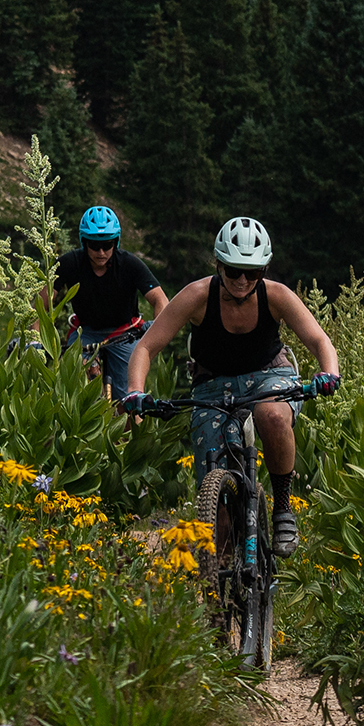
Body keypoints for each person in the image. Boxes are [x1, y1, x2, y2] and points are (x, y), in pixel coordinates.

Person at [120, 215, 340, 557]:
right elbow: (146, 347)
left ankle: (283, 508)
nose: (242, 280)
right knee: (217, 505)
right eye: (234, 270)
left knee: (272, 416)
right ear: (218, 265)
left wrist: (329, 373)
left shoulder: (276, 296)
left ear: (264, 271)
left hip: (270, 376)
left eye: (253, 273)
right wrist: (135, 391)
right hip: (213, 386)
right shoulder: (197, 296)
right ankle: (221, 575)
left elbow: (319, 340)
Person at [44, 204, 165, 396]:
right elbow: (41, 303)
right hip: (85, 332)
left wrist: (155, 333)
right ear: (84, 243)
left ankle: (127, 413)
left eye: (107, 245)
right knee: (76, 384)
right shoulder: (69, 263)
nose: (101, 252)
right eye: (94, 246)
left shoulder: (130, 264)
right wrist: (35, 338)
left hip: (124, 333)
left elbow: (160, 300)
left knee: (129, 394)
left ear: (115, 242)